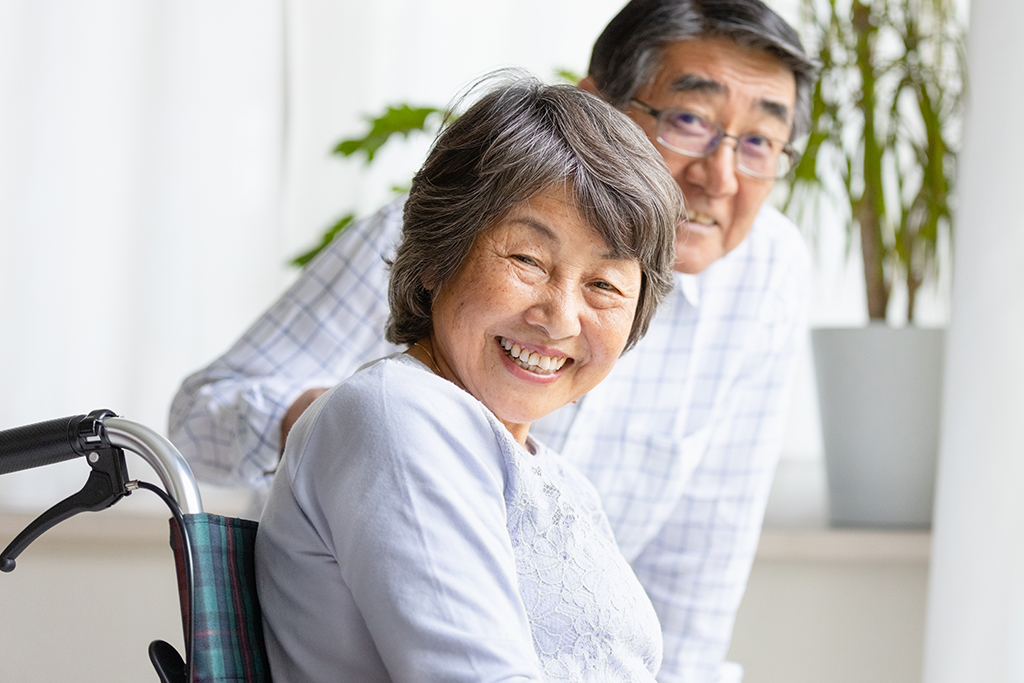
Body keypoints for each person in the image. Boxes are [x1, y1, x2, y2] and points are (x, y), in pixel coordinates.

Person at [171, 1, 818, 680]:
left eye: (759, 143)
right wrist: (373, 441)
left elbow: (697, 571)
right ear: (597, 102)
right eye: (689, 121)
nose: (720, 177)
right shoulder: (408, 382)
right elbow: (204, 412)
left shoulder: (765, 277)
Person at [256, 74, 683, 682]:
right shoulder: (397, 414)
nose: (560, 318)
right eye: (527, 260)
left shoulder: (555, 479)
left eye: (604, 286)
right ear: (437, 257)